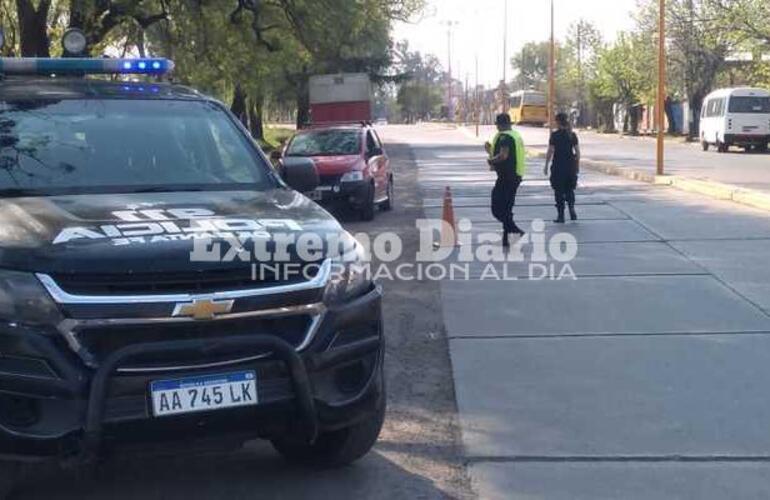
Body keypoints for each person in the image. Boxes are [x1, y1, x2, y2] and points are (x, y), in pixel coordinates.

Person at [485, 113, 526, 247]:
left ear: (500, 124)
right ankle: (507, 238)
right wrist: (489, 150)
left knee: (497, 208)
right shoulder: (515, 135)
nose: (496, 127)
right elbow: (506, 154)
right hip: (515, 175)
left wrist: (490, 160)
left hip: (507, 177)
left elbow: (503, 156)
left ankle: (514, 230)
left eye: (497, 124)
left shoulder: (505, 137)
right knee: (506, 208)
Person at [544, 112, 581, 223]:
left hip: (558, 167)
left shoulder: (555, 135)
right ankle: (572, 209)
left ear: (557, 122)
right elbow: (578, 153)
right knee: (570, 189)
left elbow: (550, 151)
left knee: (558, 191)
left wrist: (546, 165)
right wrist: (577, 166)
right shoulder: (572, 135)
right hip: (570, 166)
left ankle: (561, 216)